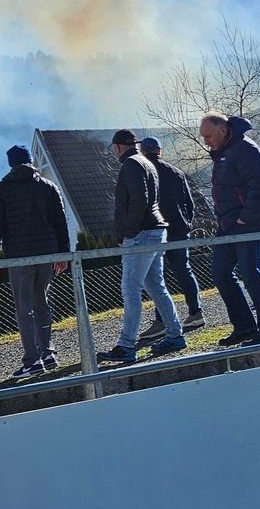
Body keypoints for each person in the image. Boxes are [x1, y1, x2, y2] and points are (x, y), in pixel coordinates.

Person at [97, 129, 186, 363]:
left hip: (141, 234)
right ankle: (175, 334)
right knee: (155, 285)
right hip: (156, 230)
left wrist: (129, 231)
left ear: (117, 147)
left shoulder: (130, 165)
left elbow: (139, 198)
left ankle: (126, 346)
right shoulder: (145, 162)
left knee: (131, 289)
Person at [0, 145, 70, 378]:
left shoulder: (1, 190)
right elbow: (60, 221)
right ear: (31, 161)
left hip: (19, 255)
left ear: (10, 163)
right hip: (46, 254)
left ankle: (32, 360)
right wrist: (63, 254)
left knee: (24, 308)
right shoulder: (48, 186)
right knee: (42, 302)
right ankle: (48, 353)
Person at [200, 112, 260, 347]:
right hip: (227, 225)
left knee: (251, 275)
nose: (206, 141)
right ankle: (244, 327)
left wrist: (246, 218)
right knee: (221, 274)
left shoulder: (245, 149)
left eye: (208, 136)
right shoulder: (224, 152)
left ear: (223, 131)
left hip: (247, 225)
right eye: (203, 136)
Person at [136, 137, 204, 343]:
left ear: (142, 152)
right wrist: (186, 224)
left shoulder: (143, 172)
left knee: (157, 277)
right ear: (159, 151)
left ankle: (162, 321)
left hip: (156, 231)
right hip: (179, 230)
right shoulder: (176, 172)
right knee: (184, 270)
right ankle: (195, 312)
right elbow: (189, 204)